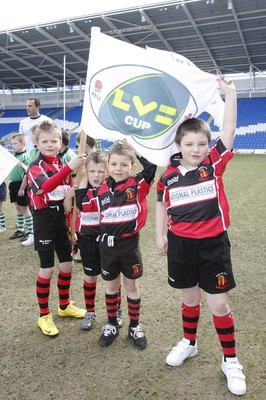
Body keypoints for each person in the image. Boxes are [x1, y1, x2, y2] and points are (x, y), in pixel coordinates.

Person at [156, 76, 246, 396]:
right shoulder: (167, 176)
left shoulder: (214, 163)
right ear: (178, 146)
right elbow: (163, 206)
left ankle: (230, 360)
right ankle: (189, 343)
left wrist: (230, 94)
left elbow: (230, 130)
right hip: (181, 245)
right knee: (189, 299)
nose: (196, 150)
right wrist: (161, 235)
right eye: (189, 144)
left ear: (208, 146)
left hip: (213, 245)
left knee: (218, 304)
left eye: (201, 144)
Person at [83, 140, 157, 349]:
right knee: (111, 286)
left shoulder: (137, 184)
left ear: (132, 167)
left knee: (131, 285)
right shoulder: (100, 190)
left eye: (124, 164)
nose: (118, 169)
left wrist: (133, 148)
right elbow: (83, 202)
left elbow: (150, 168)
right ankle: (112, 323)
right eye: (114, 164)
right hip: (107, 247)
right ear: (107, 167)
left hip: (129, 246)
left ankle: (134, 325)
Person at [26, 120, 87, 336]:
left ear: (60, 142)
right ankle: (44, 315)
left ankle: (64, 306)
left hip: (62, 219)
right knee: (47, 268)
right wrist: (71, 168)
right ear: (37, 143)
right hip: (44, 220)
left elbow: (68, 196)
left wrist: (72, 228)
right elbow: (46, 187)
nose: (50, 144)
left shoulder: (61, 164)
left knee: (68, 264)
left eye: (54, 140)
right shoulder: (35, 166)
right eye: (45, 141)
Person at [64, 151, 122, 330]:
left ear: (107, 171)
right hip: (87, 240)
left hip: (107, 240)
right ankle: (90, 311)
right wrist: (70, 194)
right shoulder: (82, 189)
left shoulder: (110, 189)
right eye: (91, 171)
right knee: (90, 277)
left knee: (112, 278)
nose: (96, 176)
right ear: (86, 172)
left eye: (100, 171)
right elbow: (68, 208)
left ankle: (117, 310)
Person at [8, 134, 34, 244]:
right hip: (13, 185)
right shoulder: (14, 156)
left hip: (22, 185)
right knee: (18, 208)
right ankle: (20, 229)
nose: (13, 146)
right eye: (12, 144)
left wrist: (22, 165)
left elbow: (29, 171)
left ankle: (31, 232)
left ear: (23, 143)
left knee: (24, 209)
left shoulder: (26, 156)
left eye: (15, 143)